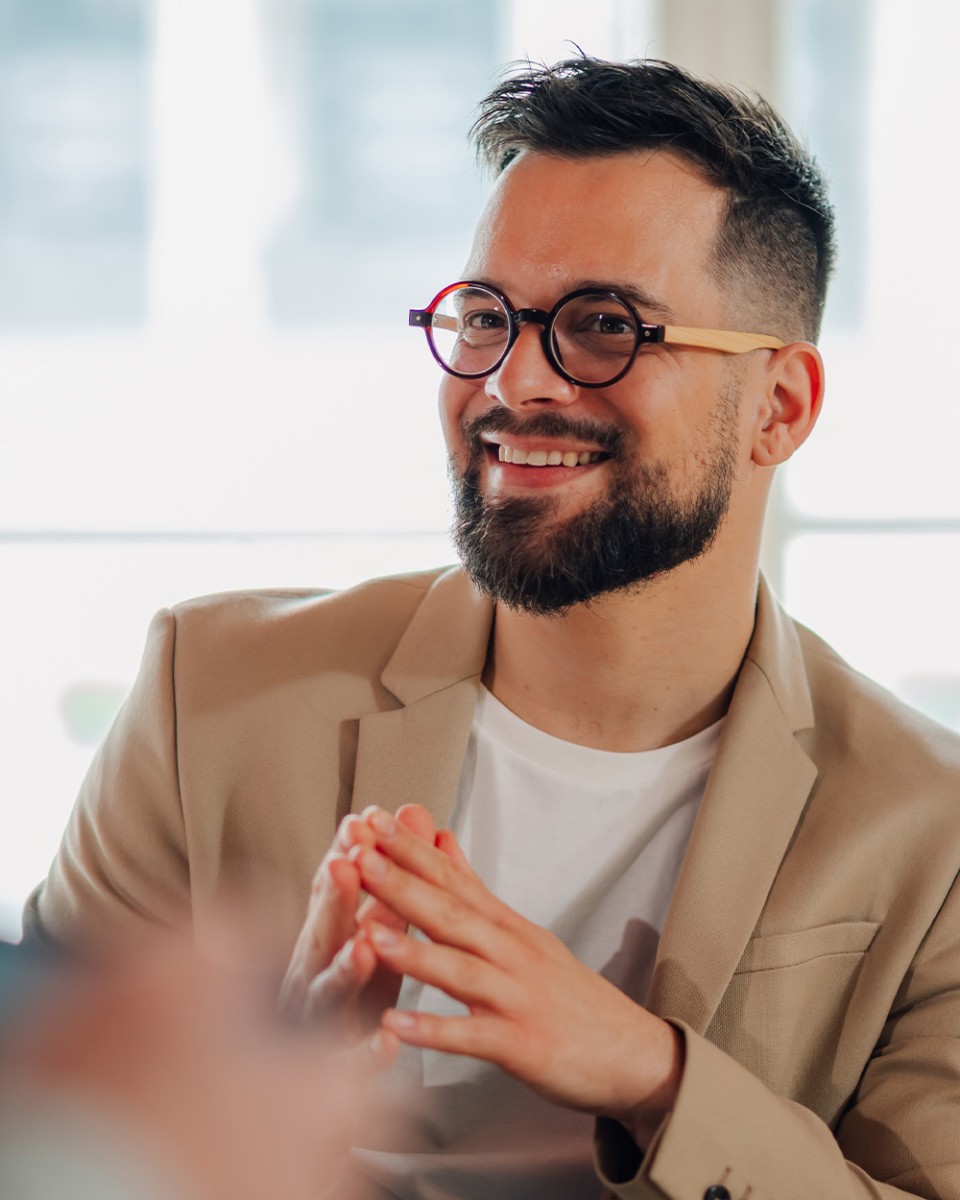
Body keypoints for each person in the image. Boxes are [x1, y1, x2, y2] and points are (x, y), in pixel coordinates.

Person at [23, 56, 960, 1200]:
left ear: (780, 407)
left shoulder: (937, 834)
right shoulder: (205, 696)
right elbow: (42, 1134)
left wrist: (654, 1076)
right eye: (486, 317)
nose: (514, 383)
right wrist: (264, 1086)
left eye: (605, 326)